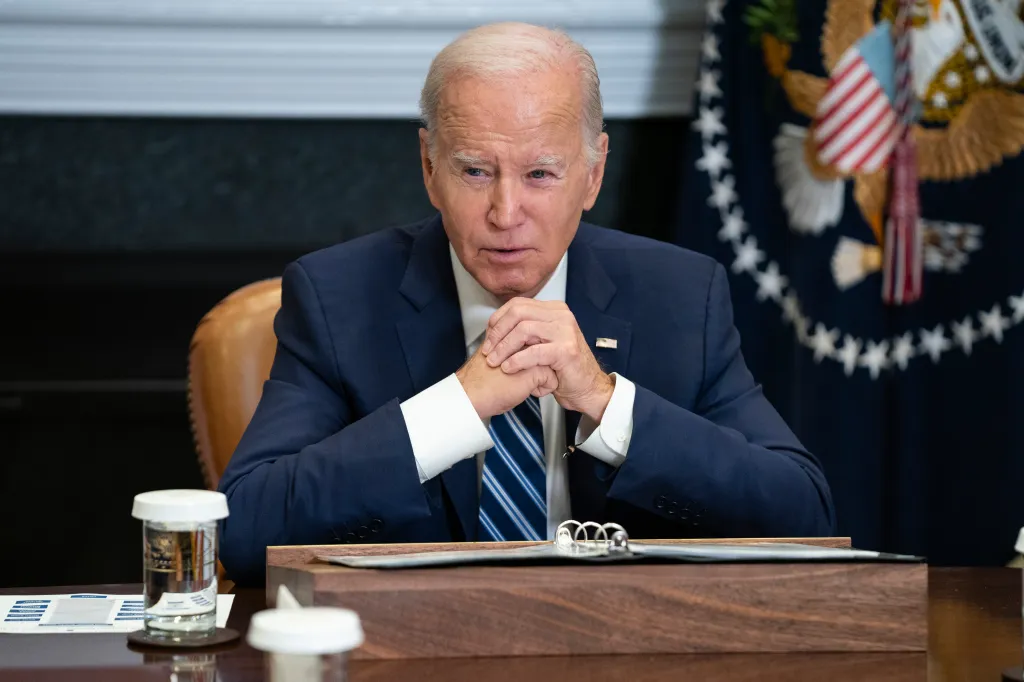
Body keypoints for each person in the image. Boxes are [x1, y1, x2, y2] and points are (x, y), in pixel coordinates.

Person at [218, 22, 835, 585]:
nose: (505, 214)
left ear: (592, 175)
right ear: (429, 167)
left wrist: (604, 401)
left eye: (540, 174)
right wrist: (457, 405)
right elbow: (246, 532)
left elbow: (804, 515)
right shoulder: (336, 296)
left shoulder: (679, 295)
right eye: (475, 172)